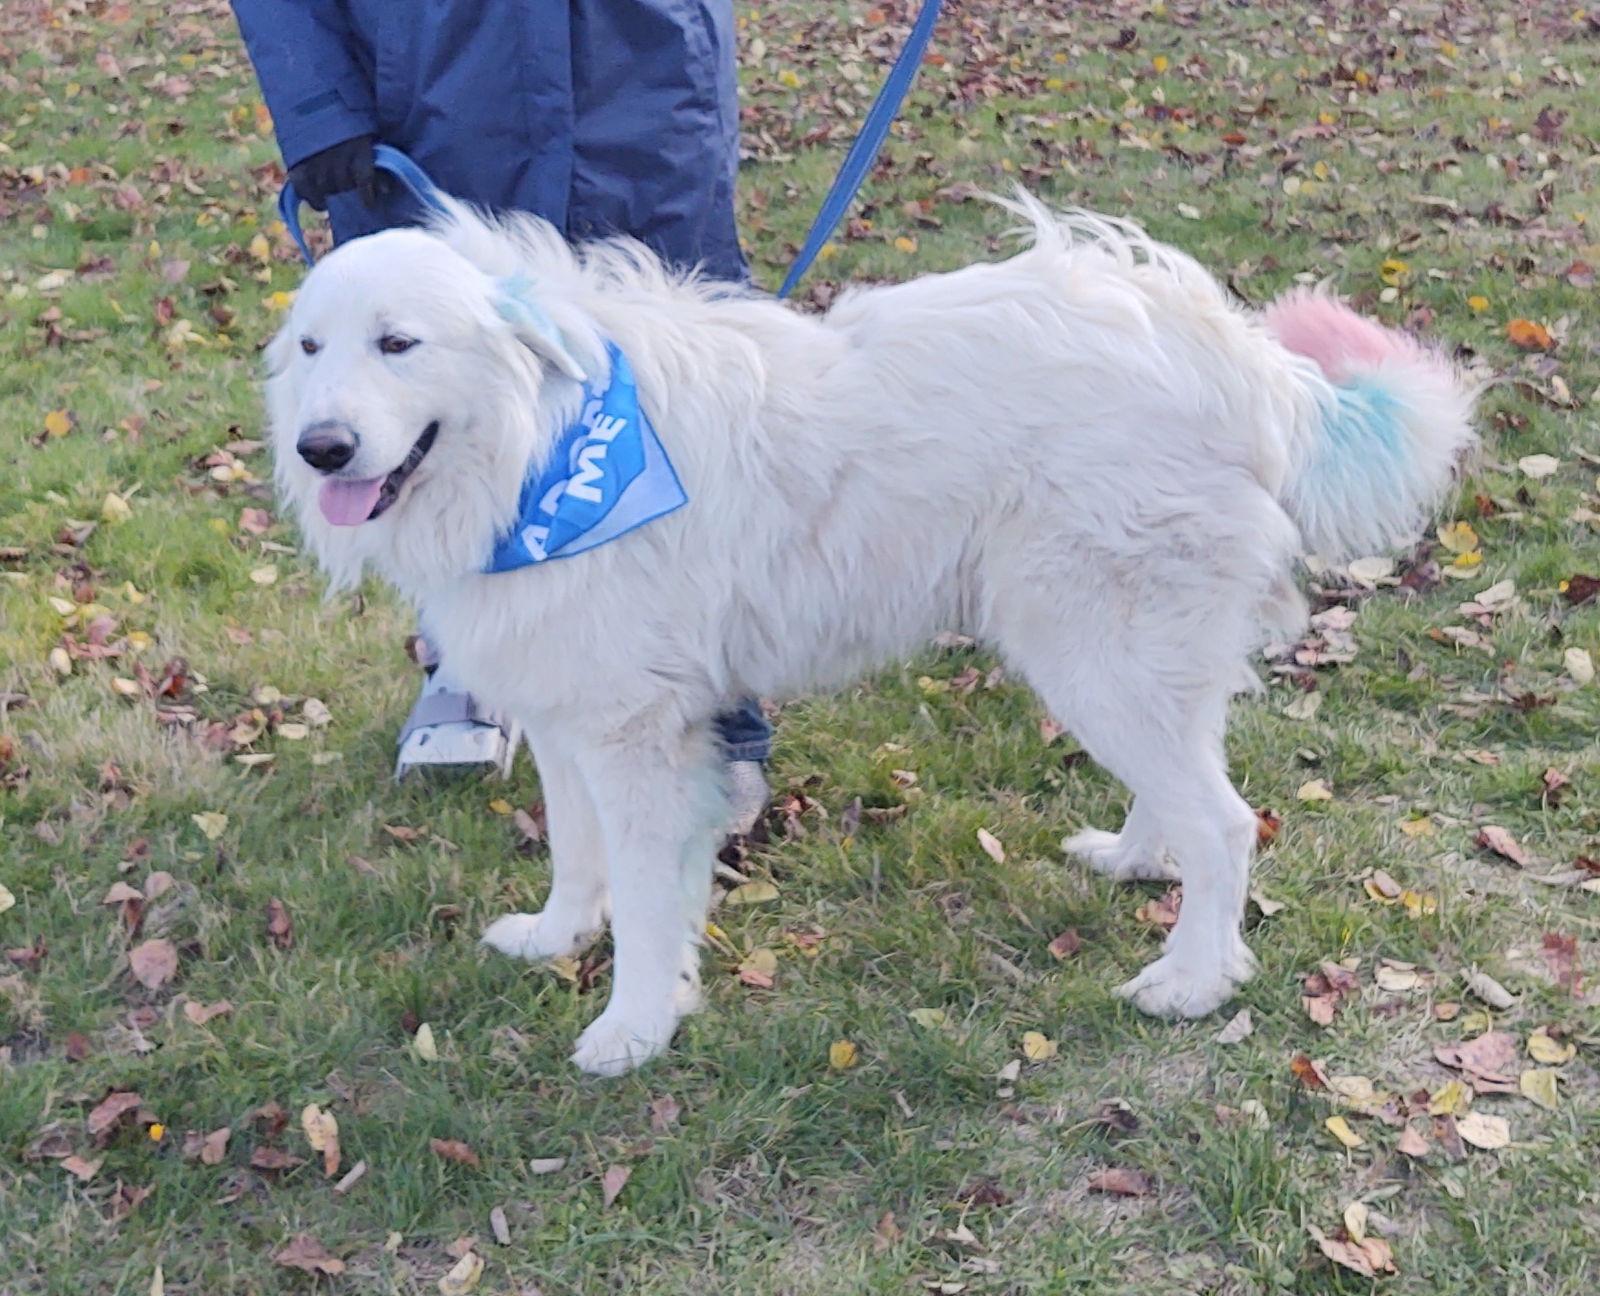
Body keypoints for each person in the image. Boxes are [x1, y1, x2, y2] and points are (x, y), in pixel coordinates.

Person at [229, 0, 772, 825]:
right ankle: (477, 657)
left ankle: (715, 714)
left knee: (676, 400)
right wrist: (317, 103)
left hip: (640, 71)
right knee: (439, 387)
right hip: (434, 72)